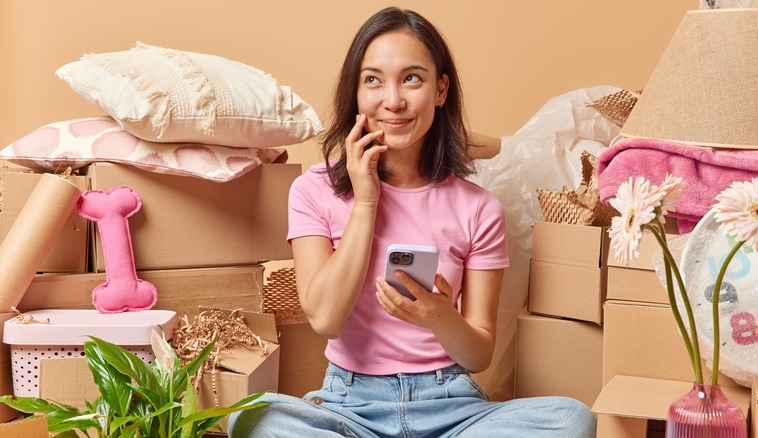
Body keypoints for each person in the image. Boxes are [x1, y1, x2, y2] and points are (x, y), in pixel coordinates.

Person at [229, 7, 596, 437]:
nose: (393, 100)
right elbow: (325, 319)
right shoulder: (314, 191)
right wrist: (366, 203)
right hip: (349, 405)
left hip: (451, 405)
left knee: (572, 419)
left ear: (440, 90)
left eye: (412, 78)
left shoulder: (477, 207)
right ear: (356, 93)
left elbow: (478, 353)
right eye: (373, 80)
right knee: (254, 417)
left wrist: (440, 317)